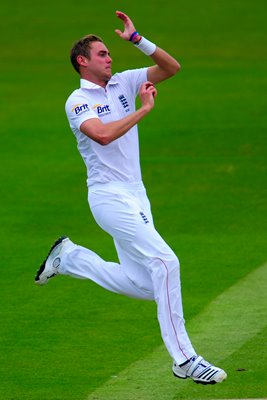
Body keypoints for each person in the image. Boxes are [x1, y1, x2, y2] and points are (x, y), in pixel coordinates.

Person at [35, 11, 227, 385]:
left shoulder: (123, 82)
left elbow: (172, 67)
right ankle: (185, 359)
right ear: (82, 61)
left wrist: (138, 39)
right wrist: (143, 110)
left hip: (137, 196)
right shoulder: (77, 101)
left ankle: (71, 257)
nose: (111, 58)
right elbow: (102, 135)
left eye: (110, 53)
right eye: (103, 54)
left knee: (146, 285)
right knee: (166, 262)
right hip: (108, 197)